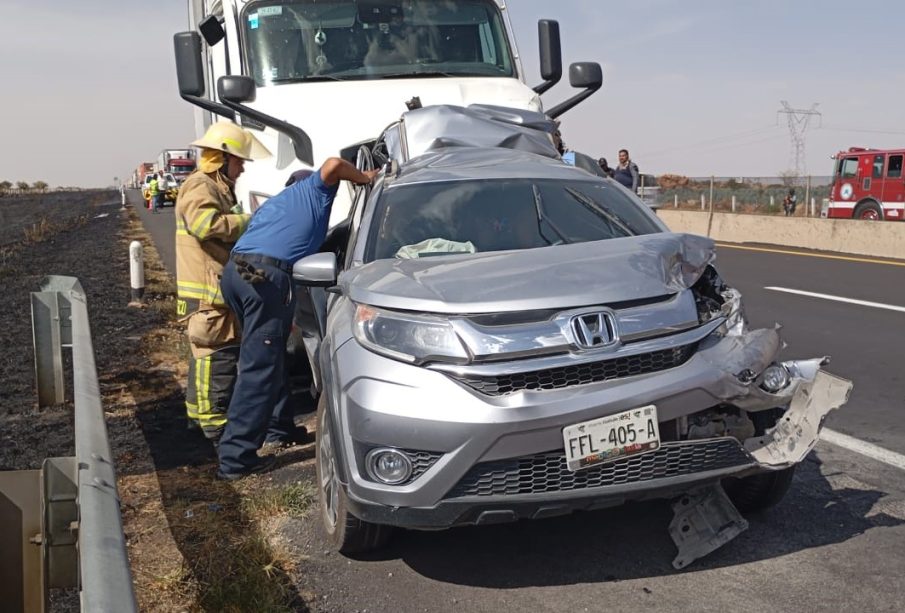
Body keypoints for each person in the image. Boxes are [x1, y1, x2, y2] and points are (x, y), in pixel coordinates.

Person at [217, 159, 378, 480]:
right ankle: (235, 459)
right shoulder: (315, 190)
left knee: (268, 354)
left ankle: (279, 428)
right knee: (258, 367)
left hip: (237, 274)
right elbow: (333, 166)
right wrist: (364, 176)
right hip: (264, 278)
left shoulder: (277, 204)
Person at [175, 121, 270, 444]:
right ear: (222, 158)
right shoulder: (201, 186)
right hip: (207, 294)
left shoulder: (214, 186)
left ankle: (197, 425)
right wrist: (250, 221)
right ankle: (215, 429)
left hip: (211, 290)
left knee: (208, 356)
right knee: (217, 357)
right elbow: (205, 225)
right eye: (239, 160)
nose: (242, 168)